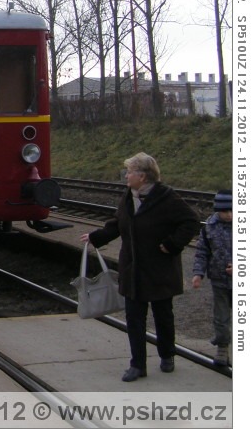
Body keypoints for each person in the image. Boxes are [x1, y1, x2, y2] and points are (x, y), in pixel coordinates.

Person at [81, 152, 200, 382]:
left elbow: (191, 222)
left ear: (143, 176)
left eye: (129, 172)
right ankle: (137, 365)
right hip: (132, 269)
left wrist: (172, 244)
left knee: (163, 315)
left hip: (159, 269)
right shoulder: (128, 196)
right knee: (134, 319)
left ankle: (167, 355)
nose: (126, 176)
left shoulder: (166, 197)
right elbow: (118, 223)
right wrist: (96, 237)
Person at [193, 189, 233, 366]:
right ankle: (222, 347)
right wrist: (198, 273)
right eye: (225, 211)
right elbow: (202, 252)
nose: (229, 214)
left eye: (232, 210)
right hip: (219, 280)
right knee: (221, 317)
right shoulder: (210, 227)